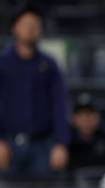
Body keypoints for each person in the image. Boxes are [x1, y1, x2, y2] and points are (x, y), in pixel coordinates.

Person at [0, 4, 69, 175]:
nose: (31, 29)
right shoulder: (2, 64)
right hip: (8, 145)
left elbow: (59, 105)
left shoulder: (49, 65)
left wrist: (61, 144)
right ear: (15, 28)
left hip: (42, 145)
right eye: (26, 25)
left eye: (35, 25)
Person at [68, 94, 105, 169]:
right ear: (74, 118)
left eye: (90, 114)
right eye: (81, 115)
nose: (86, 119)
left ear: (98, 117)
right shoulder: (66, 141)